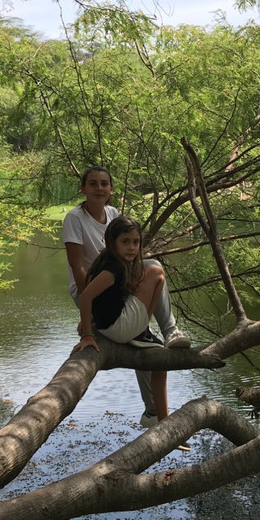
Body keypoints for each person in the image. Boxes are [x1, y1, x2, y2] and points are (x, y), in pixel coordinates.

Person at [62, 165, 190, 427]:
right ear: (83, 188)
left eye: (104, 184)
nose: (99, 189)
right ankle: (170, 330)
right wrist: (89, 319)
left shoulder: (112, 213)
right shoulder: (75, 218)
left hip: (113, 283)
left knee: (152, 271)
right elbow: (78, 267)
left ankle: (154, 412)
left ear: (111, 189)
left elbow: (125, 253)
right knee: (154, 269)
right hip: (91, 287)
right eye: (93, 184)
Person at [71, 216, 170, 422]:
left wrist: (90, 320)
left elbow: (101, 298)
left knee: (160, 365)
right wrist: (87, 336)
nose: (132, 248)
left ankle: (160, 418)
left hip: (112, 326)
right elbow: (86, 296)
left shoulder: (110, 261)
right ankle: (151, 329)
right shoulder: (113, 268)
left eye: (136, 242)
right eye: (125, 242)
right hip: (121, 328)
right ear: (112, 243)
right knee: (157, 272)